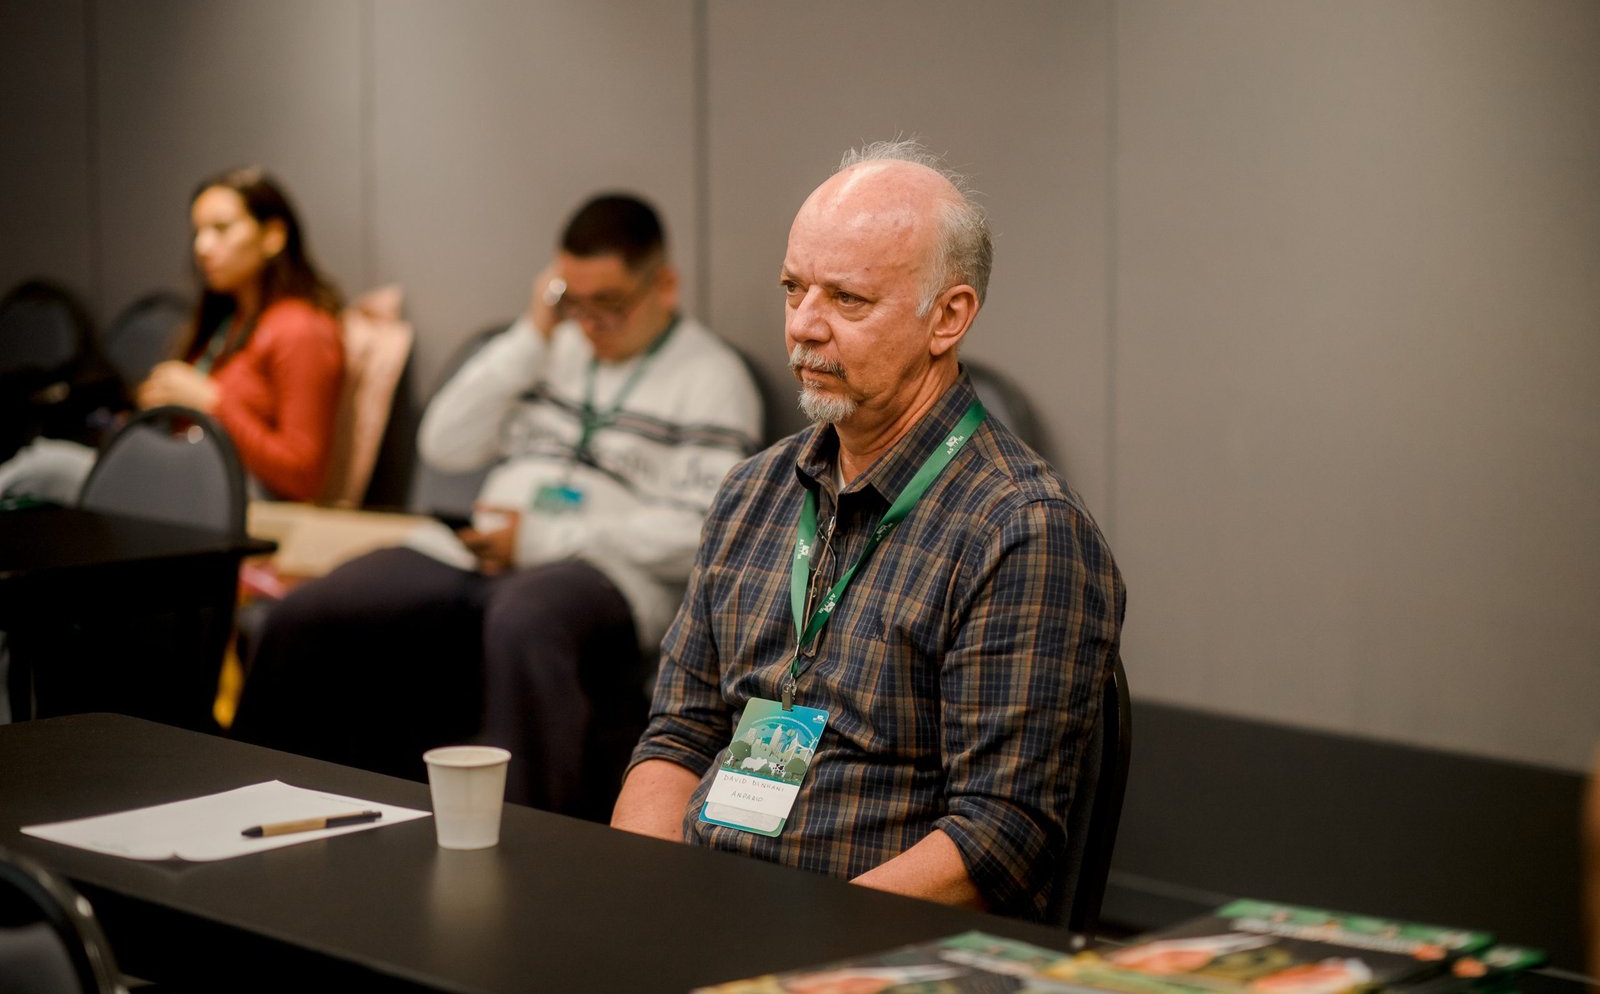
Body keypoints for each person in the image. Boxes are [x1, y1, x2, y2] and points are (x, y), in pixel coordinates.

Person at [610, 140, 1125, 920]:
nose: (803, 328)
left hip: (862, 944)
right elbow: (677, 738)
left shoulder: (1023, 532)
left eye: (847, 300)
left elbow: (999, 836)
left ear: (947, 318)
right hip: (703, 917)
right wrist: (647, 902)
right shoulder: (753, 493)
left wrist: (796, 949)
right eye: (793, 289)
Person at [231, 193, 764, 815]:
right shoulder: (548, 347)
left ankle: (532, 840)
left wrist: (541, 539)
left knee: (524, 620)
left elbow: (703, 529)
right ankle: (258, 801)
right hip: (475, 554)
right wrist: (534, 332)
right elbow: (443, 442)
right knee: (309, 614)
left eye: (610, 304)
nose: (591, 324)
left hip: (601, 572)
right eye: (574, 301)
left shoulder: (711, 377)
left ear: (664, 285)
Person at [137, 166, 345, 501]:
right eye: (198, 232)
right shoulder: (227, 320)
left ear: (273, 236)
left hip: (242, 500)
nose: (202, 246)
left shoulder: (301, 329)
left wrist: (211, 403)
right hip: (188, 477)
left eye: (221, 229)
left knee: (52, 471)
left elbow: (302, 475)